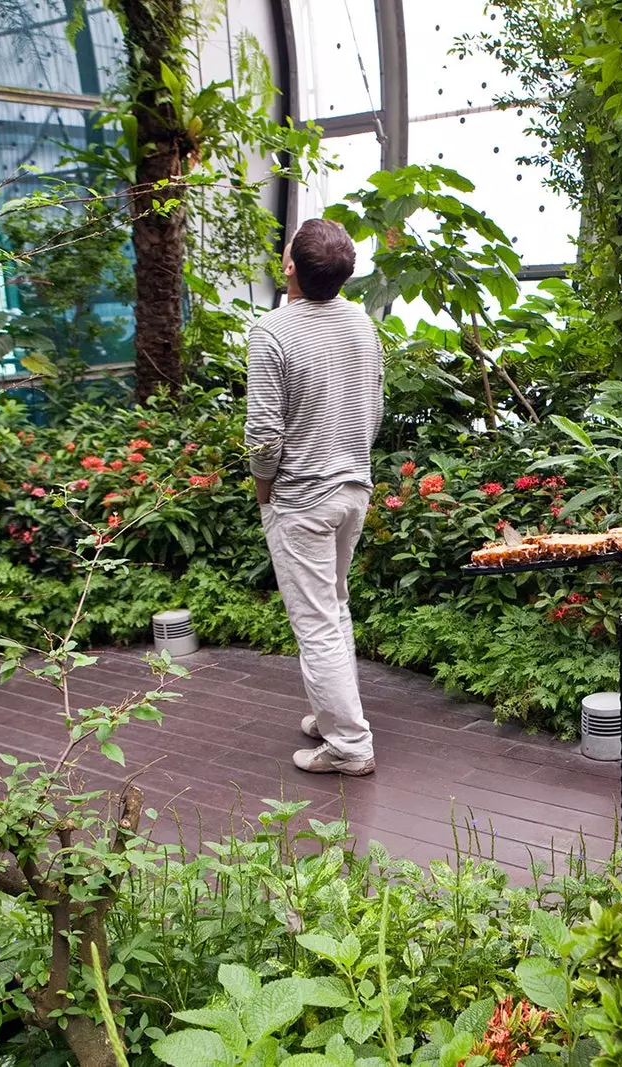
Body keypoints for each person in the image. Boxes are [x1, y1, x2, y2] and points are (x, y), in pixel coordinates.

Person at [245, 219, 384, 776]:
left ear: (290, 266)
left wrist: (263, 492)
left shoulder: (271, 330)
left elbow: (263, 435)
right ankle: (333, 715)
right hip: (354, 486)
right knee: (335, 607)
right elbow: (373, 409)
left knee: (317, 622)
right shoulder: (362, 323)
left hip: (301, 497)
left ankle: (348, 745)